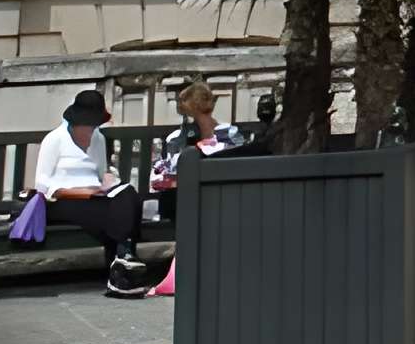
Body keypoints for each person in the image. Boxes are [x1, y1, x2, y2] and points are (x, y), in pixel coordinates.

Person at [31, 89, 152, 297]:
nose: (89, 131)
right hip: (63, 200)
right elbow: (41, 183)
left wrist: (107, 182)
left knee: (128, 194)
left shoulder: (98, 139)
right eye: (85, 126)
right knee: (113, 212)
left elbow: (99, 172)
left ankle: (122, 259)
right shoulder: (55, 139)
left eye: (93, 126)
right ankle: (124, 258)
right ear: (75, 122)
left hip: (95, 197)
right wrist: (74, 191)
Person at [147, 82, 252, 230]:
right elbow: (158, 179)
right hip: (189, 193)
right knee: (173, 198)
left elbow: (239, 167)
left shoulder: (227, 134)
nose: (185, 121)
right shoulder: (177, 138)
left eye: (187, 115)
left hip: (220, 195)